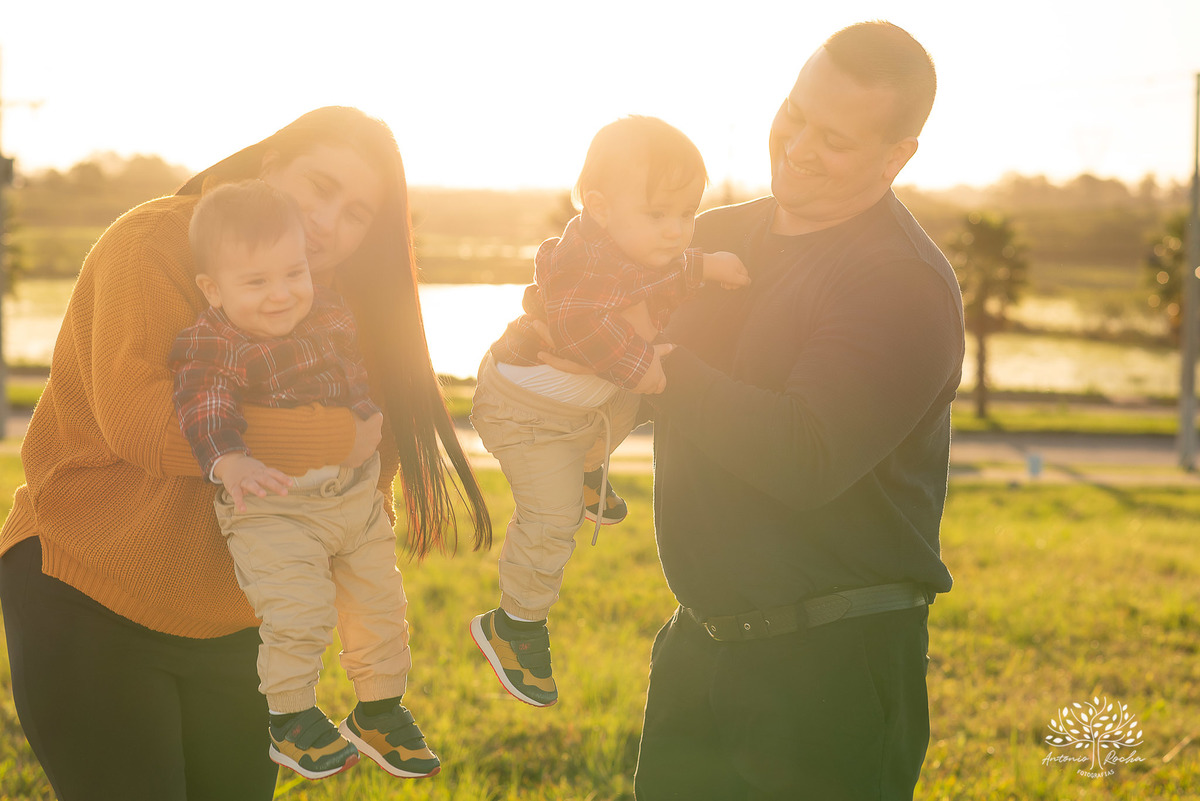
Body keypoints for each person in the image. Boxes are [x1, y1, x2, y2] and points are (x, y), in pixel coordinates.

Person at [0, 107, 491, 801]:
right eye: (319, 186)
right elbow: (147, 424)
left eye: (356, 214)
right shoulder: (153, 242)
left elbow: (361, 473)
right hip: (90, 592)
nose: (328, 223)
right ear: (268, 165)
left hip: (237, 623)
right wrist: (327, 436)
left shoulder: (329, 299)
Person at [627, 22, 964, 800]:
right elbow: (622, 381)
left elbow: (804, 454)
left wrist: (654, 368)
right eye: (795, 113)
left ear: (896, 157)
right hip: (697, 647)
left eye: (835, 140)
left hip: (831, 670)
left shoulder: (900, 283)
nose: (800, 145)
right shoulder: (714, 238)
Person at [468, 116, 749, 708]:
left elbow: (665, 269)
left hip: (575, 410)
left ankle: (589, 471)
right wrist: (639, 362)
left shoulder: (631, 244)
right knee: (550, 523)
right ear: (598, 207)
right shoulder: (582, 264)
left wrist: (705, 265)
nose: (675, 231)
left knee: (629, 398)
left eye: (685, 214)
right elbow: (576, 326)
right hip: (527, 415)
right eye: (658, 215)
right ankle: (515, 625)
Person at [169, 179, 439, 781]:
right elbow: (203, 405)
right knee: (300, 611)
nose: (281, 295)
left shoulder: (329, 312)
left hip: (352, 498)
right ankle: (291, 718)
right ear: (213, 290)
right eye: (256, 282)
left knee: (381, 607)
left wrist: (365, 417)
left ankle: (379, 708)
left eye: (293, 274)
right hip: (273, 506)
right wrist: (230, 461)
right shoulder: (215, 341)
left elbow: (351, 376)